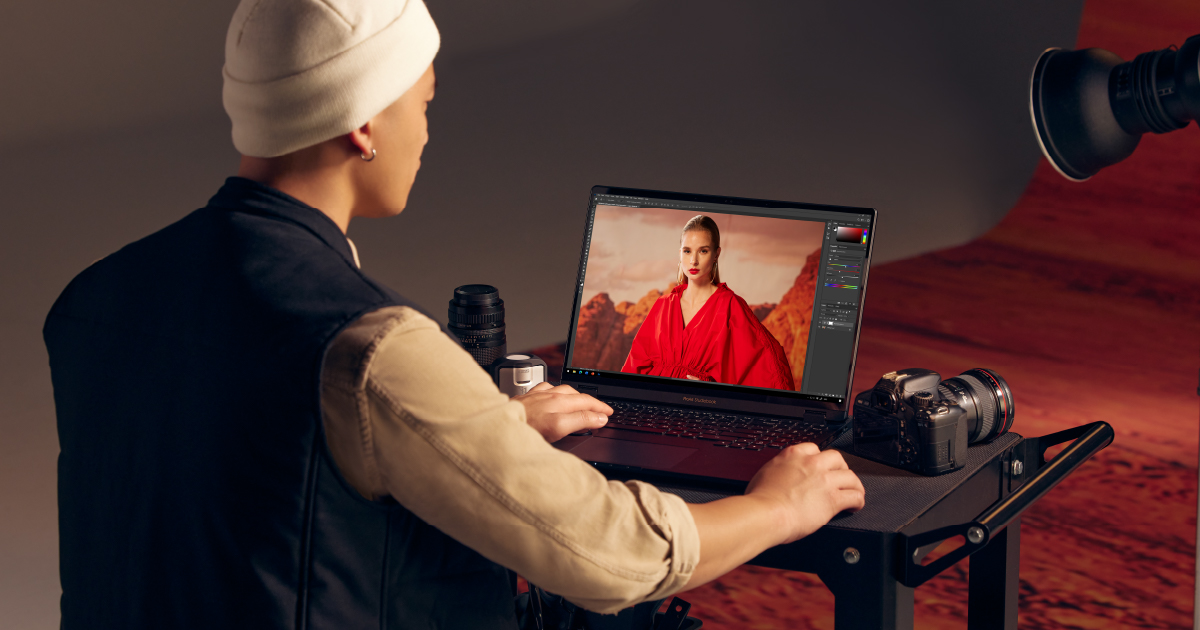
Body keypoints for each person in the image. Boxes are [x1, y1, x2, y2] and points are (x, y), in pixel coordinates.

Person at [43, 1, 865, 628]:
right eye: (424, 104)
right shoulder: (372, 352)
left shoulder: (94, 297)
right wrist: (777, 506)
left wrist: (480, 427)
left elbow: (247, 472)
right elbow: (615, 556)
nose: (428, 134)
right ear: (363, 122)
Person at [622, 215, 796, 390]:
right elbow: (634, 367)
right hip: (654, 403)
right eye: (687, 251)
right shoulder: (663, 305)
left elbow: (770, 369)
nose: (694, 260)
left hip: (697, 408)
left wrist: (711, 394)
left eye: (703, 251)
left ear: (716, 254)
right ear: (680, 253)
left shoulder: (730, 306)